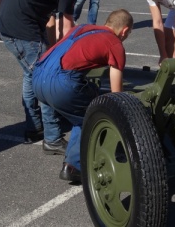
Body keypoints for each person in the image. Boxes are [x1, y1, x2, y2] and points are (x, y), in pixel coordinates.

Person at [0, 0, 95, 154]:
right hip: (23, 32)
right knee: (45, 79)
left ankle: (34, 128)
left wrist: (2, 16)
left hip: (7, 26)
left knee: (31, 75)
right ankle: (52, 138)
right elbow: (66, 28)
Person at [33, 9, 133, 183]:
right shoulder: (114, 44)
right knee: (89, 115)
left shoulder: (81, 29)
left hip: (39, 75)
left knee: (78, 100)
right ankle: (74, 166)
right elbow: (117, 93)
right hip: (60, 83)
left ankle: (51, 139)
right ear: (124, 30)